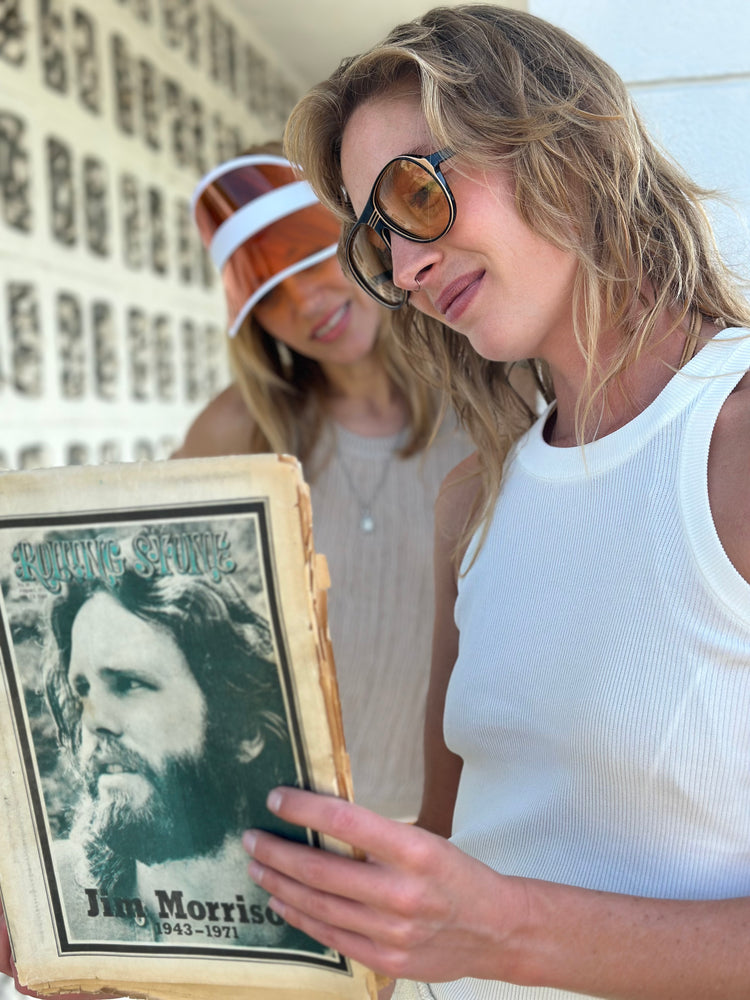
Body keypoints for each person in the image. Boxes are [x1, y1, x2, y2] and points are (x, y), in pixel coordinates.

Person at [237, 6, 750, 1000]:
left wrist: (507, 932)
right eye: (375, 237)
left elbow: (480, 916)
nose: (406, 267)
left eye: (415, 195)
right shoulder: (474, 499)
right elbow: (439, 858)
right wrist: (130, 944)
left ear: (567, 140)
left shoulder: (730, 444)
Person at [173, 142, 481, 821]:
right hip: (295, 822)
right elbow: (154, 595)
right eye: (270, 290)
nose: (305, 299)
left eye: (313, 256)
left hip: (472, 822)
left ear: (366, 236)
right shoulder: (240, 428)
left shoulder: (491, 395)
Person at [38, 569, 308, 950]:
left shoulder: (329, 913)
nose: (93, 721)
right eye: (82, 690)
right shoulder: (48, 897)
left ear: (242, 729)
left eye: (129, 684)